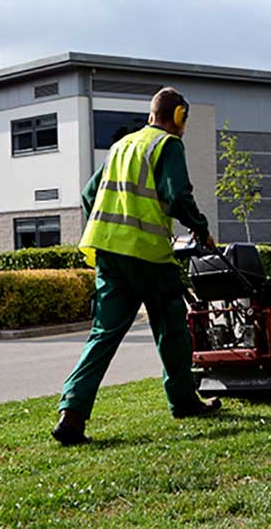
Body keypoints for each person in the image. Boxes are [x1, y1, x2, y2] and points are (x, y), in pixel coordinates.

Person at [52, 87, 221, 446]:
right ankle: (184, 401)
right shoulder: (168, 145)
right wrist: (201, 227)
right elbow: (177, 196)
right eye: (185, 120)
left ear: (150, 114)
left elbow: (88, 195)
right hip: (147, 256)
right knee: (172, 328)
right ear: (179, 116)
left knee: (103, 334)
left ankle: (72, 413)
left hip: (108, 253)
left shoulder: (121, 146)